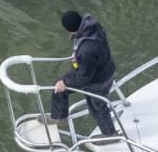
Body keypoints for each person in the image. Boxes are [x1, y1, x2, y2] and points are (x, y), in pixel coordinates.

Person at [50, 9, 118, 138]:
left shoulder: (86, 50)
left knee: (97, 107)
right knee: (58, 87)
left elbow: (84, 78)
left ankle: (110, 135)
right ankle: (59, 118)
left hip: (98, 80)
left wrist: (65, 82)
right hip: (103, 68)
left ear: (69, 30)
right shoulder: (92, 26)